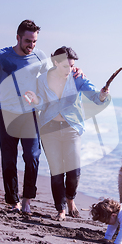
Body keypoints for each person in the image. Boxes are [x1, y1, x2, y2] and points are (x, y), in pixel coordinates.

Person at [0, 20, 82, 214]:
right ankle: (13, 201)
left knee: (32, 156)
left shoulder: (39, 56)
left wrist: (74, 70)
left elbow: (55, 72)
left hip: (30, 114)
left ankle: (27, 200)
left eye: (34, 41)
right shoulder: (1, 56)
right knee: (9, 159)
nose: (31, 45)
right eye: (27, 41)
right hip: (7, 114)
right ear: (18, 37)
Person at [25, 46, 110, 221]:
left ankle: (71, 199)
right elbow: (41, 104)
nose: (69, 70)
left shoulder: (77, 78)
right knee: (56, 172)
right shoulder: (43, 80)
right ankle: (60, 210)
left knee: (74, 171)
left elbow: (95, 97)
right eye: (65, 66)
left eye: (71, 66)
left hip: (71, 128)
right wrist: (35, 100)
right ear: (55, 62)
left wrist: (102, 94)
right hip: (49, 129)